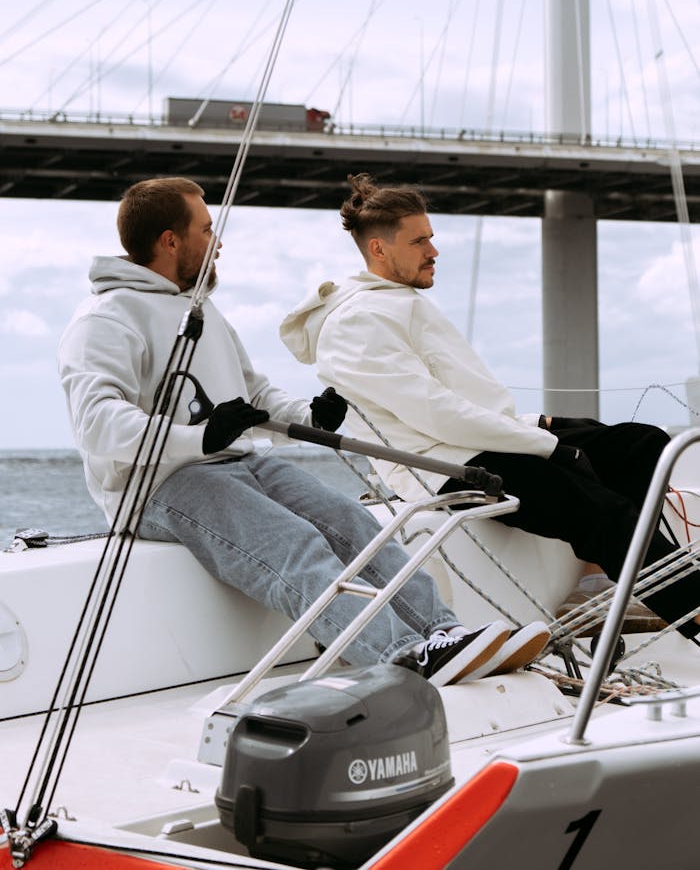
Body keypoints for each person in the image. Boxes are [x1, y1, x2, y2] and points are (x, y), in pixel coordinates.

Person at [58, 176, 550, 687]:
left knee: (354, 523)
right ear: (171, 240)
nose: (219, 242)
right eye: (208, 230)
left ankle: (445, 635)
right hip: (161, 484)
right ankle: (404, 655)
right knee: (296, 545)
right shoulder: (105, 318)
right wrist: (199, 438)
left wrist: (313, 417)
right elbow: (97, 424)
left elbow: (255, 396)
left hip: (237, 463)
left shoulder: (201, 311)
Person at [280, 172, 700, 640]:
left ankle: (604, 574)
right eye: (420, 241)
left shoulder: (393, 302)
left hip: (482, 438)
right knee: (603, 510)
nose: (434, 251)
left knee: (641, 444)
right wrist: (543, 443)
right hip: (449, 465)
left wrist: (533, 425)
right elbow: (435, 414)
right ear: (379, 250)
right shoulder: (356, 323)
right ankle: (692, 606)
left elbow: (456, 400)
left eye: (431, 239)